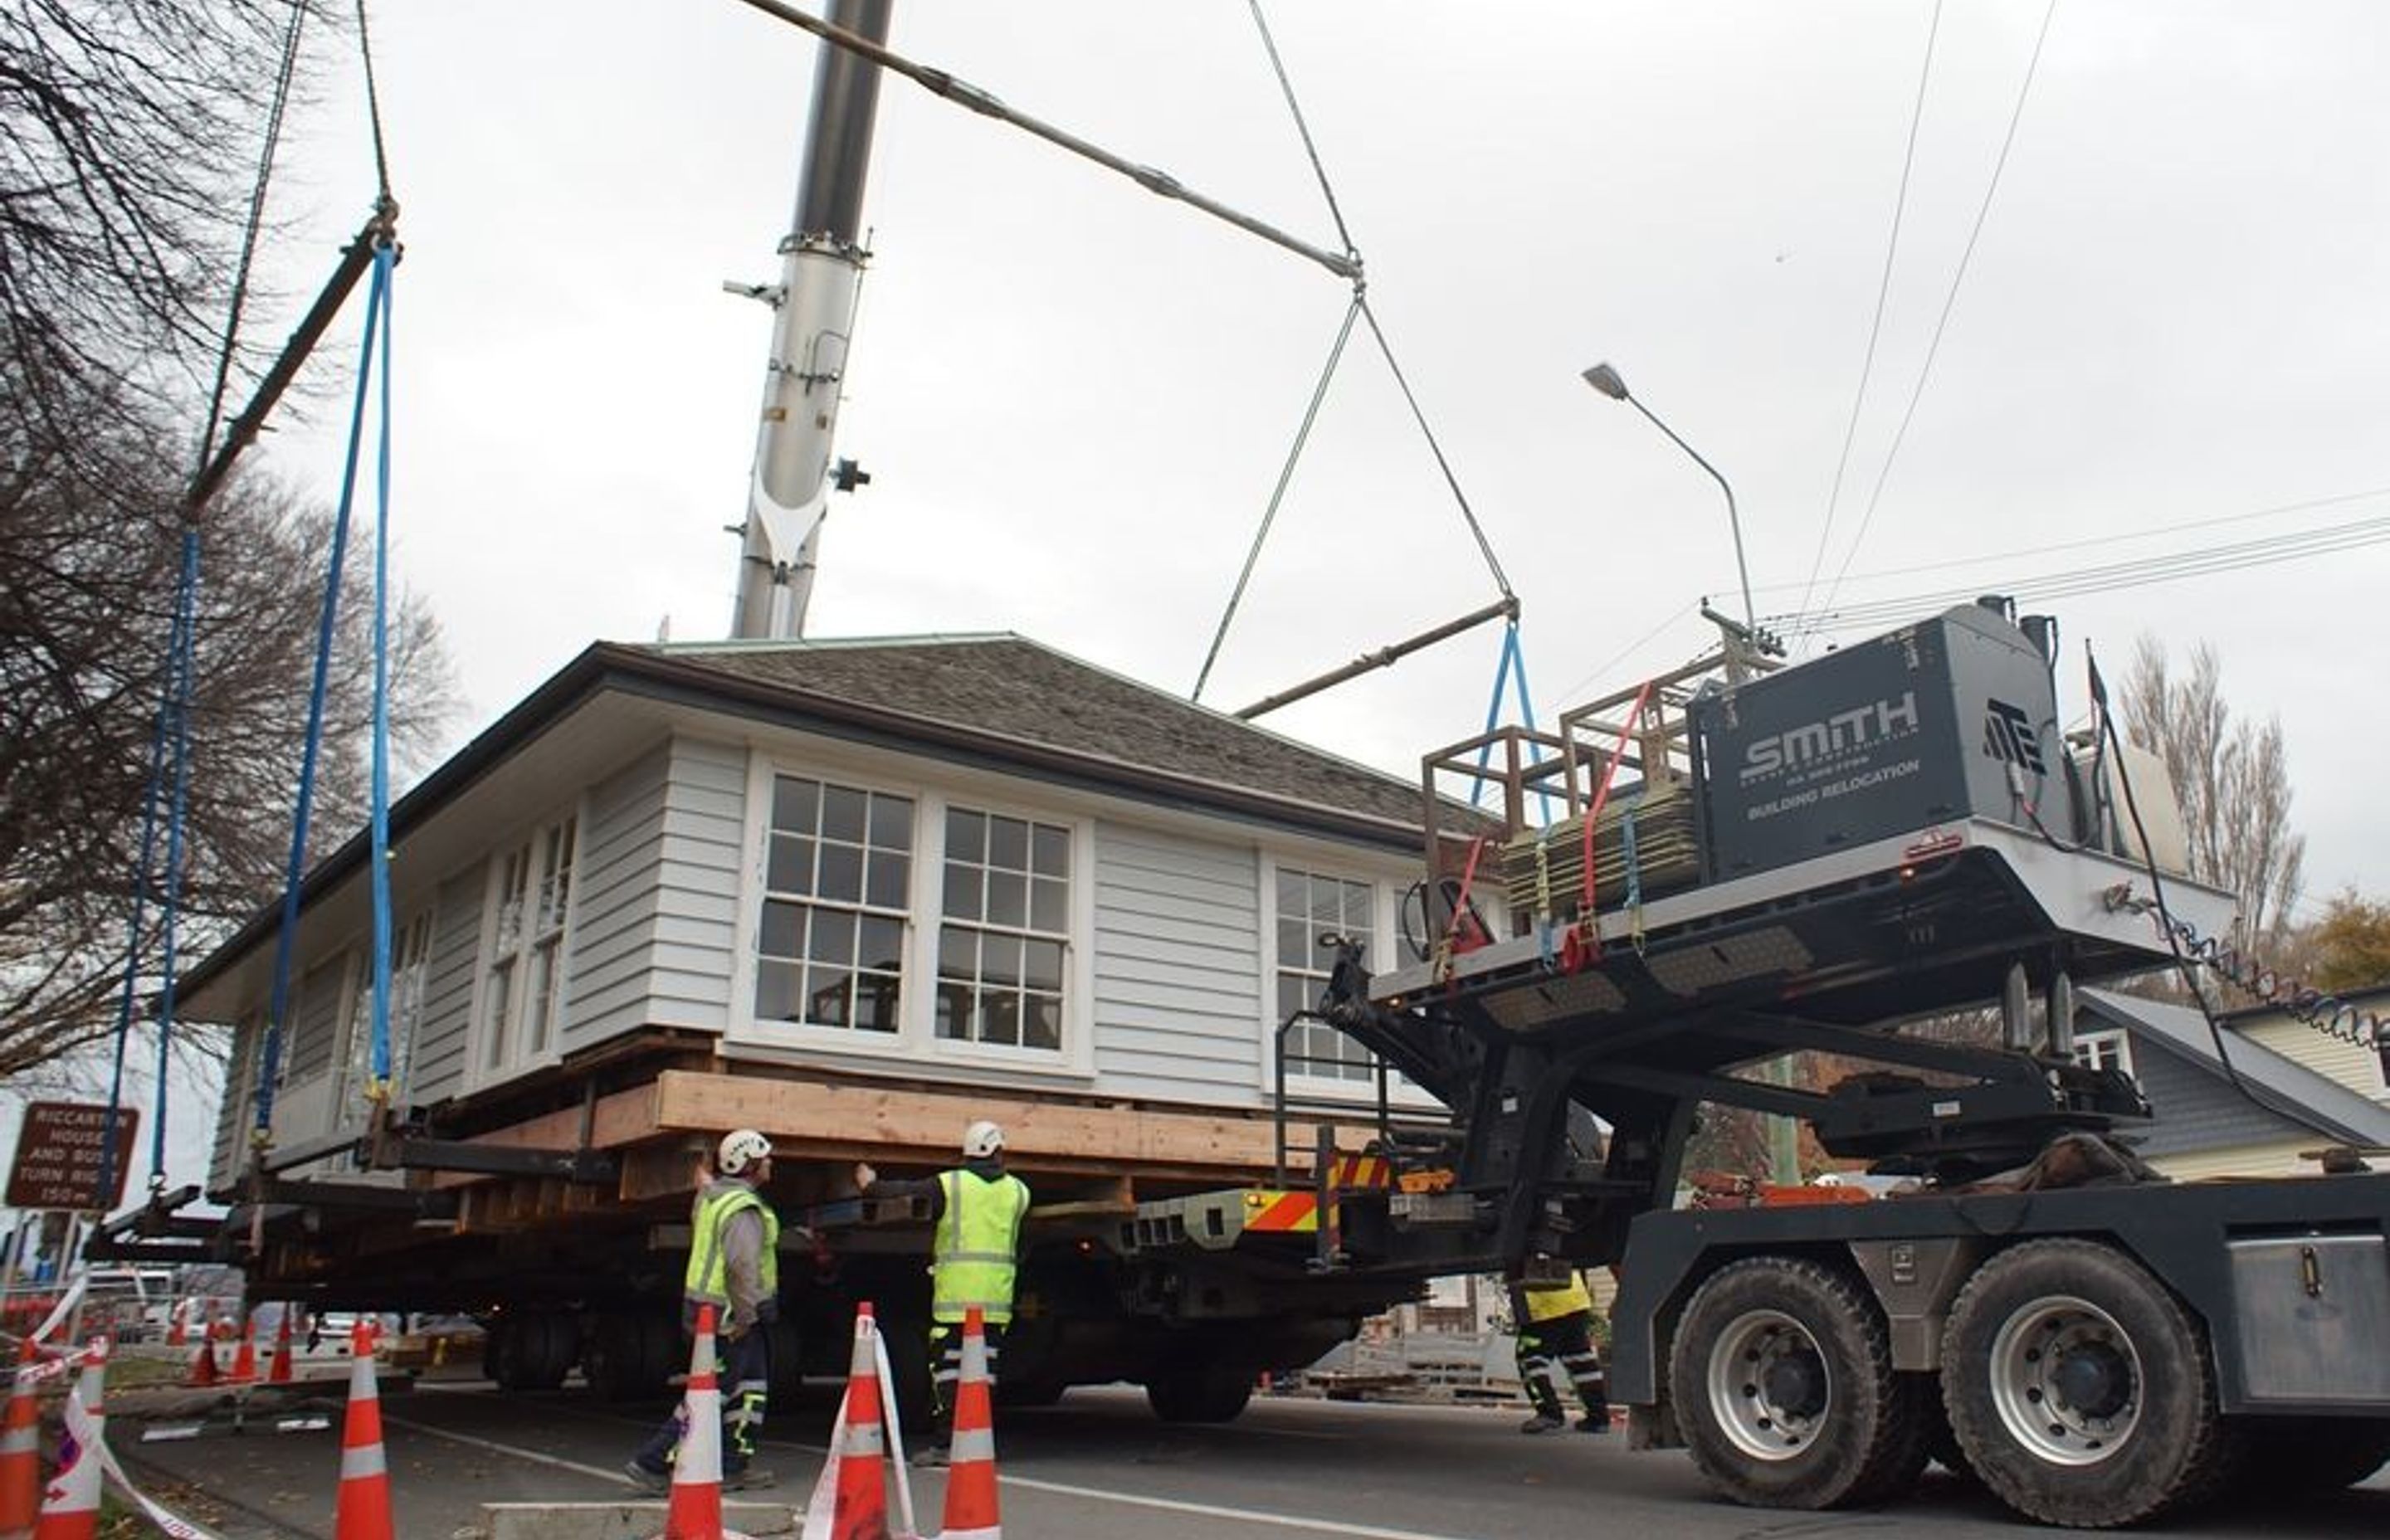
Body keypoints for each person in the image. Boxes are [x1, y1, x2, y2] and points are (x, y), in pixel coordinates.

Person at [854, 1118, 1032, 1467]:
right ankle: (978, 1441)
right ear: (999, 1151)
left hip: (955, 1301)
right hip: (995, 1302)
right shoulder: (1019, 1192)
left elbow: (903, 1191)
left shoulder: (950, 1185)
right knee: (983, 1376)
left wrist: (870, 1185)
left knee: (949, 1374)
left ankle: (948, 1444)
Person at [627, 1128, 781, 1493]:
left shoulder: (713, 1198)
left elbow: (705, 1196)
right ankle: (653, 1462)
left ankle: (732, 1464)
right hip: (729, 1316)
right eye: (766, 1157)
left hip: (713, 1310)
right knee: (712, 1394)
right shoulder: (743, 1209)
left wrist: (704, 1179)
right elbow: (741, 1267)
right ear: (751, 1165)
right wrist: (746, 1317)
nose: (772, 1162)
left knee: (750, 1387)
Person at [1511, 1269, 1610, 1435]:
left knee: (1529, 1358)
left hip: (1542, 1302)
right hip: (1575, 1299)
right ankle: (1598, 1418)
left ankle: (1550, 1412)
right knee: (1580, 1360)